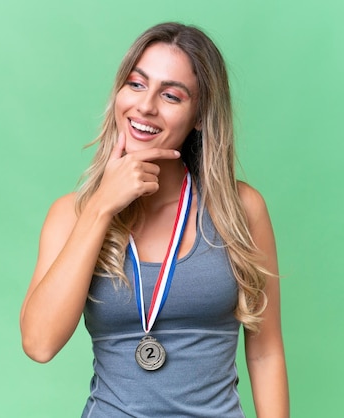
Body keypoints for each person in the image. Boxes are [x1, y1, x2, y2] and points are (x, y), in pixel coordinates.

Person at [20, 22, 289, 417]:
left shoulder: (241, 209)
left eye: (171, 95)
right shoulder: (71, 214)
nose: (146, 106)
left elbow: (265, 354)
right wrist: (100, 209)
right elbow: (39, 343)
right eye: (136, 84)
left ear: (199, 115)